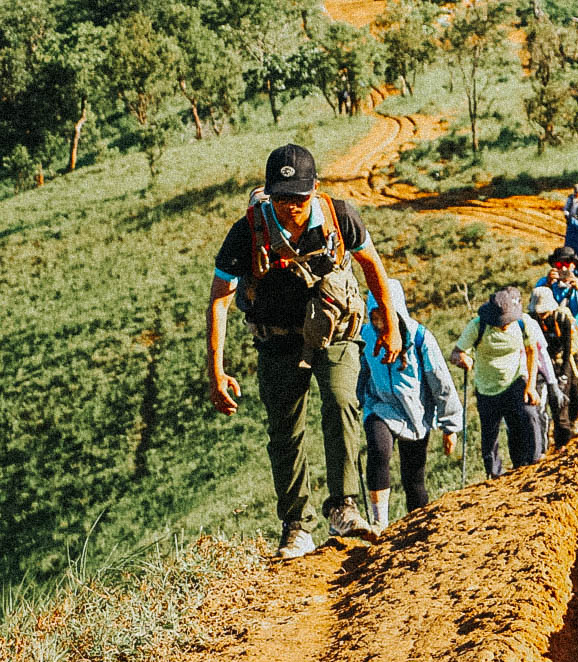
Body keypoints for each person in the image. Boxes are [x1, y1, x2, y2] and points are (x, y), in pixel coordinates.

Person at [207, 144, 403, 559]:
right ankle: (296, 526)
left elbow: (372, 266)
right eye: (281, 198)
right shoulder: (248, 230)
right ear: (268, 193)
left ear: (314, 189)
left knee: (342, 400)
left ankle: (345, 507)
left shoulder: (339, 216)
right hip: (277, 338)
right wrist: (216, 369)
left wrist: (389, 324)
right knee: (285, 429)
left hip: (335, 330)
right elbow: (220, 298)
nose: (290, 207)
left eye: (298, 198)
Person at [358, 278, 462, 531]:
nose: (379, 322)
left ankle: (417, 529)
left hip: (416, 415)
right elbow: (360, 371)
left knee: (413, 479)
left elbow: (440, 381)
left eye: (385, 316)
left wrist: (450, 426)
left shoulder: (419, 338)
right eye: (375, 316)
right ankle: (379, 522)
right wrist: (357, 401)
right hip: (380, 405)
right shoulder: (365, 335)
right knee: (378, 450)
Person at [450, 287, 541, 478]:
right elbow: (456, 353)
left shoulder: (524, 323)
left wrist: (531, 386)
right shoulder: (478, 326)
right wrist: (462, 358)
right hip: (487, 388)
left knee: (527, 417)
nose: (504, 325)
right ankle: (494, 476)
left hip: (515, 380)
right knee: (490, 436)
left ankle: (531, 464)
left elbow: (533, 351)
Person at [530, 286, 578, 445]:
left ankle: (562, 442)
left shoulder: (562, 318)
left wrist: (564, 375)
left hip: (561, 361)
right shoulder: (531, 320)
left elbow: (567, 349)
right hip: (540, 363)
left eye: (544, 312)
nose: (542, 315)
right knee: (540, 406)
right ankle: (541, 444)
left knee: (561, 403)